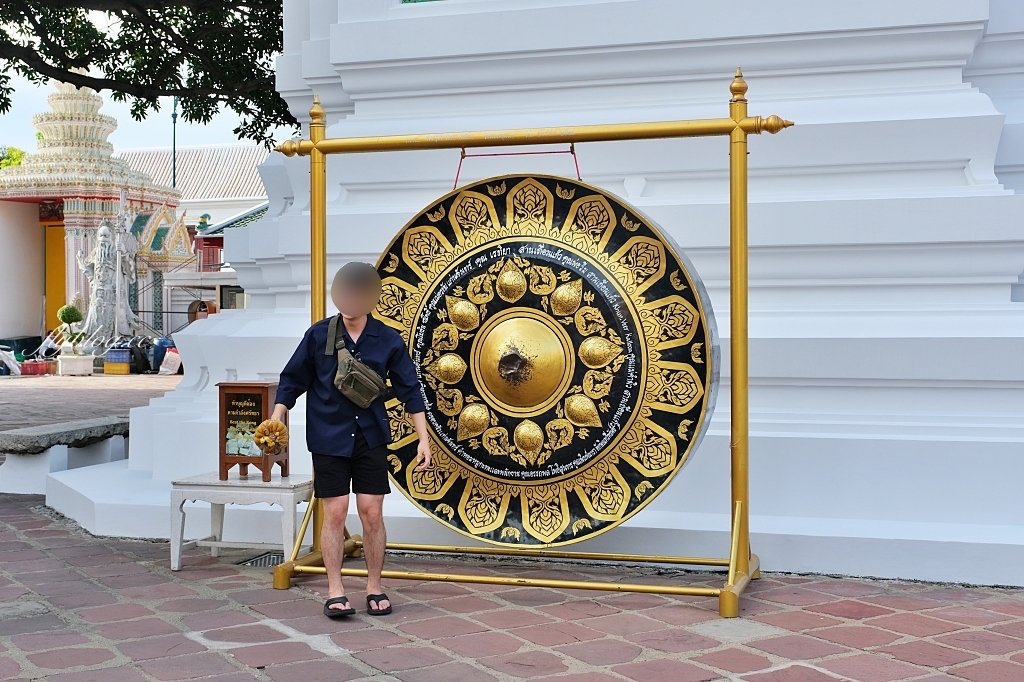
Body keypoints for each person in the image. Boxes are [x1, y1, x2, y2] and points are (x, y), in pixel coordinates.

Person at [271, 262, 431, 618]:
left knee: (371, 512)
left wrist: (423, 439)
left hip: (370, 435)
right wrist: (277, 415)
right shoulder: (318, 336)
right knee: (336, 513)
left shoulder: (388, 340)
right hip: (328, 435)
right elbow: (291, 379)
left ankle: (374, 585)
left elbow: (410, 390)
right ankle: (335, 589)